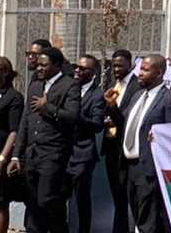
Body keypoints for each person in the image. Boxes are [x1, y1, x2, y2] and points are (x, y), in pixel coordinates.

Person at [8, 46, 80, 233]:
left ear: (56, 65)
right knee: (31, 202)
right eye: (38, 65)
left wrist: (47, 107)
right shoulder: (35, 85)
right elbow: (25, 120)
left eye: (44, 65)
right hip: (32, 154)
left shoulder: (69, 85)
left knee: (46, 200)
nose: (39, 68)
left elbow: (72, 117)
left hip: (53, 154)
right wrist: (16, 156)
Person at [105, 55, 171, 233]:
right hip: (130, 167)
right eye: (140, 69)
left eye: (145, 70)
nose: (140, 74)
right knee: (136, 217)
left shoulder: (167, 99)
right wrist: (112, 108)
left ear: (159, 73)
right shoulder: (137, 96)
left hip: (149, 169)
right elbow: (125, 125)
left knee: (149, 220)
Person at [102, 49, 140, 233]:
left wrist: (112, 109)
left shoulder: (136, 86)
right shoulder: (112, 84)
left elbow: (128, 119)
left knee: (126, 197)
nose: (116, 69)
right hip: (111, 147)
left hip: (126, 149)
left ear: (130, 64)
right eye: (113, 66)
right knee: (117, 197)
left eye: (120, 65)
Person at [68, 55, 106, 233]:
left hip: (83, 153)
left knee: (81, 198)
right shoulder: (69, 89)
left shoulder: (97, 95)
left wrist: (77, 116)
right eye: (77, 67)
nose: (78, 71)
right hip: (63, 151)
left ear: (92, 73)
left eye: (83, 69)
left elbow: (97, 125)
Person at [0, 57, 23, 233]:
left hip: (1, 152)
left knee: (0, 202)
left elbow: (14, 131)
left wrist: (2, 157)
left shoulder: (13, 97)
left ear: (5, 72)